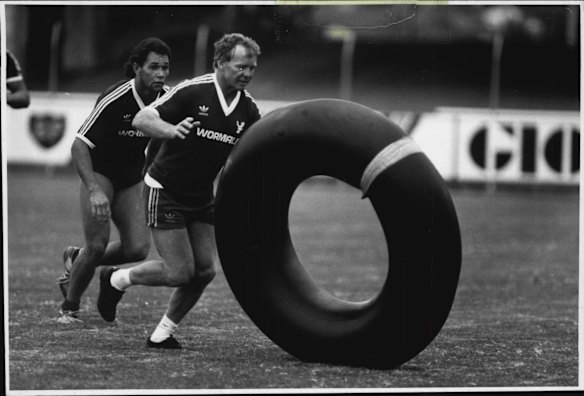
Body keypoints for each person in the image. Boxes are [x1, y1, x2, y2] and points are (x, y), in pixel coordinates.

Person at [96, 33, 262, 349]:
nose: (248, 74)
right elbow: (142, 118)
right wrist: (171, 130)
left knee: (203, 272)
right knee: (178, 272)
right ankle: (115, 279)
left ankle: (162, 335)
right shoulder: (193, 90)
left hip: (201, 197)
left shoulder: (249, 110)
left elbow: (257, 153)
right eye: (241, 66)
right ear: (221, 63)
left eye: (252, 68)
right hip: (165, 189)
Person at [57, 37, 172, 323]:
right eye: (154, 67)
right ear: (136, 68)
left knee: (137, 248)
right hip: (100, 173)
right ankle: (69, 308)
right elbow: (79, 145)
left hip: (131, 177)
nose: (161, 74)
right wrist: (94, 190)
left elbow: (168, 135)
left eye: (165, 68)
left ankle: (77, 257)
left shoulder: (170, 98)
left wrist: (152, 168)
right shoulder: (115, 98)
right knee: (97, 245)